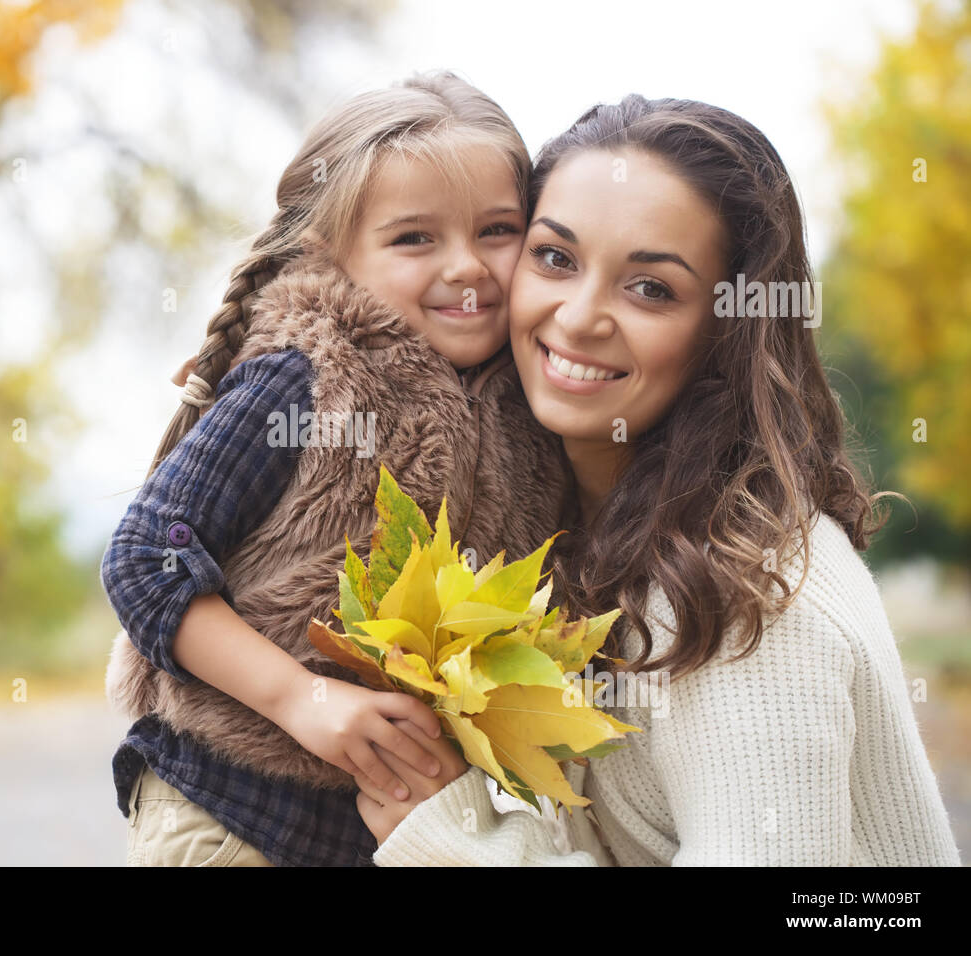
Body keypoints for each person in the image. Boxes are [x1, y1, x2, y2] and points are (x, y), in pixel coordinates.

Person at [356, 94, 963, 867]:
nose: (578, 318)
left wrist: (459, 842)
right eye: (555, 257)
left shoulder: (751, 601)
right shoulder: (600, 538)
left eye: (650, 289)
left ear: (725, 332)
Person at [101, 71, 567, 866]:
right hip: (230, 812)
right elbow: (146, 559)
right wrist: (302, 697)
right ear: (330, 249)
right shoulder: (309, 375)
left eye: (498, 231)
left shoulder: (531, 405)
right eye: (415, 239)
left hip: (388, 835)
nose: (468, 269)